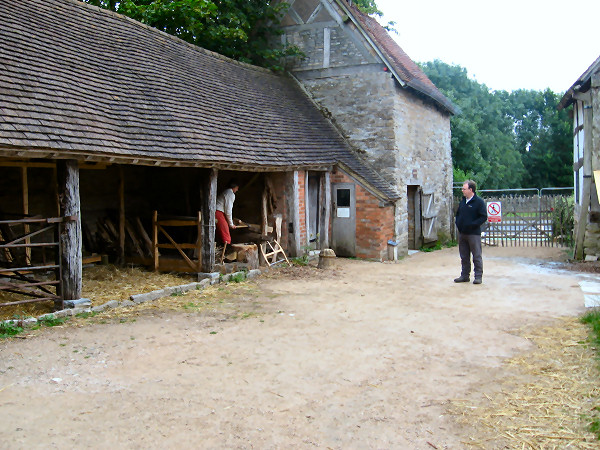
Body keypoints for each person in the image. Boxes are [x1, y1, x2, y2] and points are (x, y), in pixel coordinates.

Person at [454, 180, 488, 284]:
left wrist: (473, 225)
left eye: (464, 189)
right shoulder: (463, 201)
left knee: (476, 255)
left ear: (471, 189)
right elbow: (458, 214)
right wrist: (458, 223)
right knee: (464, 256)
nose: (462, 191)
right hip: (462, 233)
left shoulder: (479, 202)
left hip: (473, 234)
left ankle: (478, 276)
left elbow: (483, 217)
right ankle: (464, 275)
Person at [215, 180, 239, 246]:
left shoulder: (226, 192)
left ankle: (222, 249)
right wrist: (231, 224)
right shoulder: (230, 194)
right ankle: (226, 251)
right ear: (235, 187)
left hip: (217, 212)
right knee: (226, 235)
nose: (237, 190)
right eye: (237, 188)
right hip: (218, 212)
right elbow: (228, 210)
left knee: (222, 232)